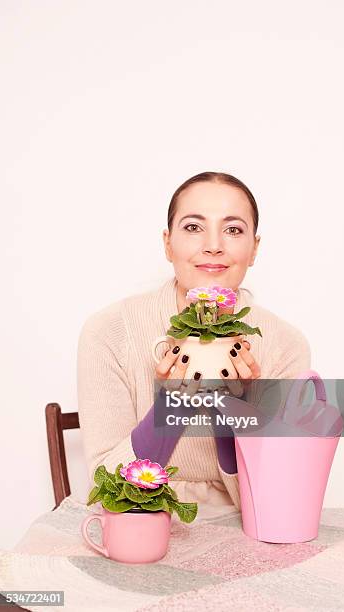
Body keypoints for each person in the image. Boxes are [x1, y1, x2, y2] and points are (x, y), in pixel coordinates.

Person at [77, 171, 311, 510]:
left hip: (244, 521)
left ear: (254, 248)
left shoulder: (285, 345)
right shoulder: (109, 332)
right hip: (140, 521)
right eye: (193, 227)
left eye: (233, 230)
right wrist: (173, 404)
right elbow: (106, 487)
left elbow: (282, 497)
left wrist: (234, 409)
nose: (213, 245)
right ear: (168, 243)